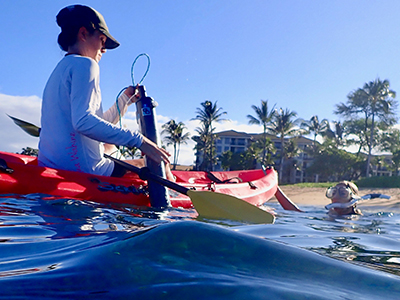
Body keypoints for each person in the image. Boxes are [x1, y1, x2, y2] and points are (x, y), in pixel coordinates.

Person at [38, 5, 173, 180]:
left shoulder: (60, 69)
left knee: (110, 146)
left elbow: (91, 124)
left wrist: (125, 99)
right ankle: (174, 190)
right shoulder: (86, 65)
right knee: (158, 161)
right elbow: (83, 122)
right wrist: (140, 141)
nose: (104, 49)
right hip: (82, 171)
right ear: (83, 34)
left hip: (50, 165)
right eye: (102, 40)